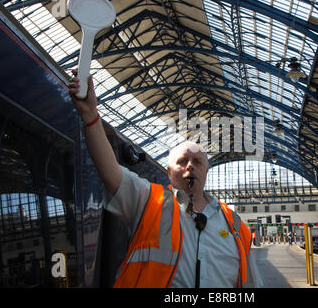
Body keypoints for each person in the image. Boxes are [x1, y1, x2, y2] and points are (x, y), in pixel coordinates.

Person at [68, 70, 263, 288]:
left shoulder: (235, 225)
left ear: (206, 172)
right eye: (182, 161)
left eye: (197, 162)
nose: (190, 165)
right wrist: (91, 117)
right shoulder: (149, 202)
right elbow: (110, 171)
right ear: (169, 172)